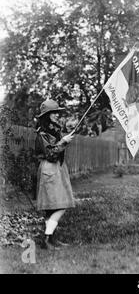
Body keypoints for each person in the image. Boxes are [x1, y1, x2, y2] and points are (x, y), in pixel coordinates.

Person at [35, 99, 75, 250]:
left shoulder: (53, 130)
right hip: (49, 168)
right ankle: (46, 239)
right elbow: (51, 154)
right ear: (47, 116)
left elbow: (56, 149)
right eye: (54, 113)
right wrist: (63, 142)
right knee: (61, 205)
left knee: (52, 207)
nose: (57, 116)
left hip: (56, 168)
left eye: (58, 113)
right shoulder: (42, 134)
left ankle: (51, 240)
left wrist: (63, 138)